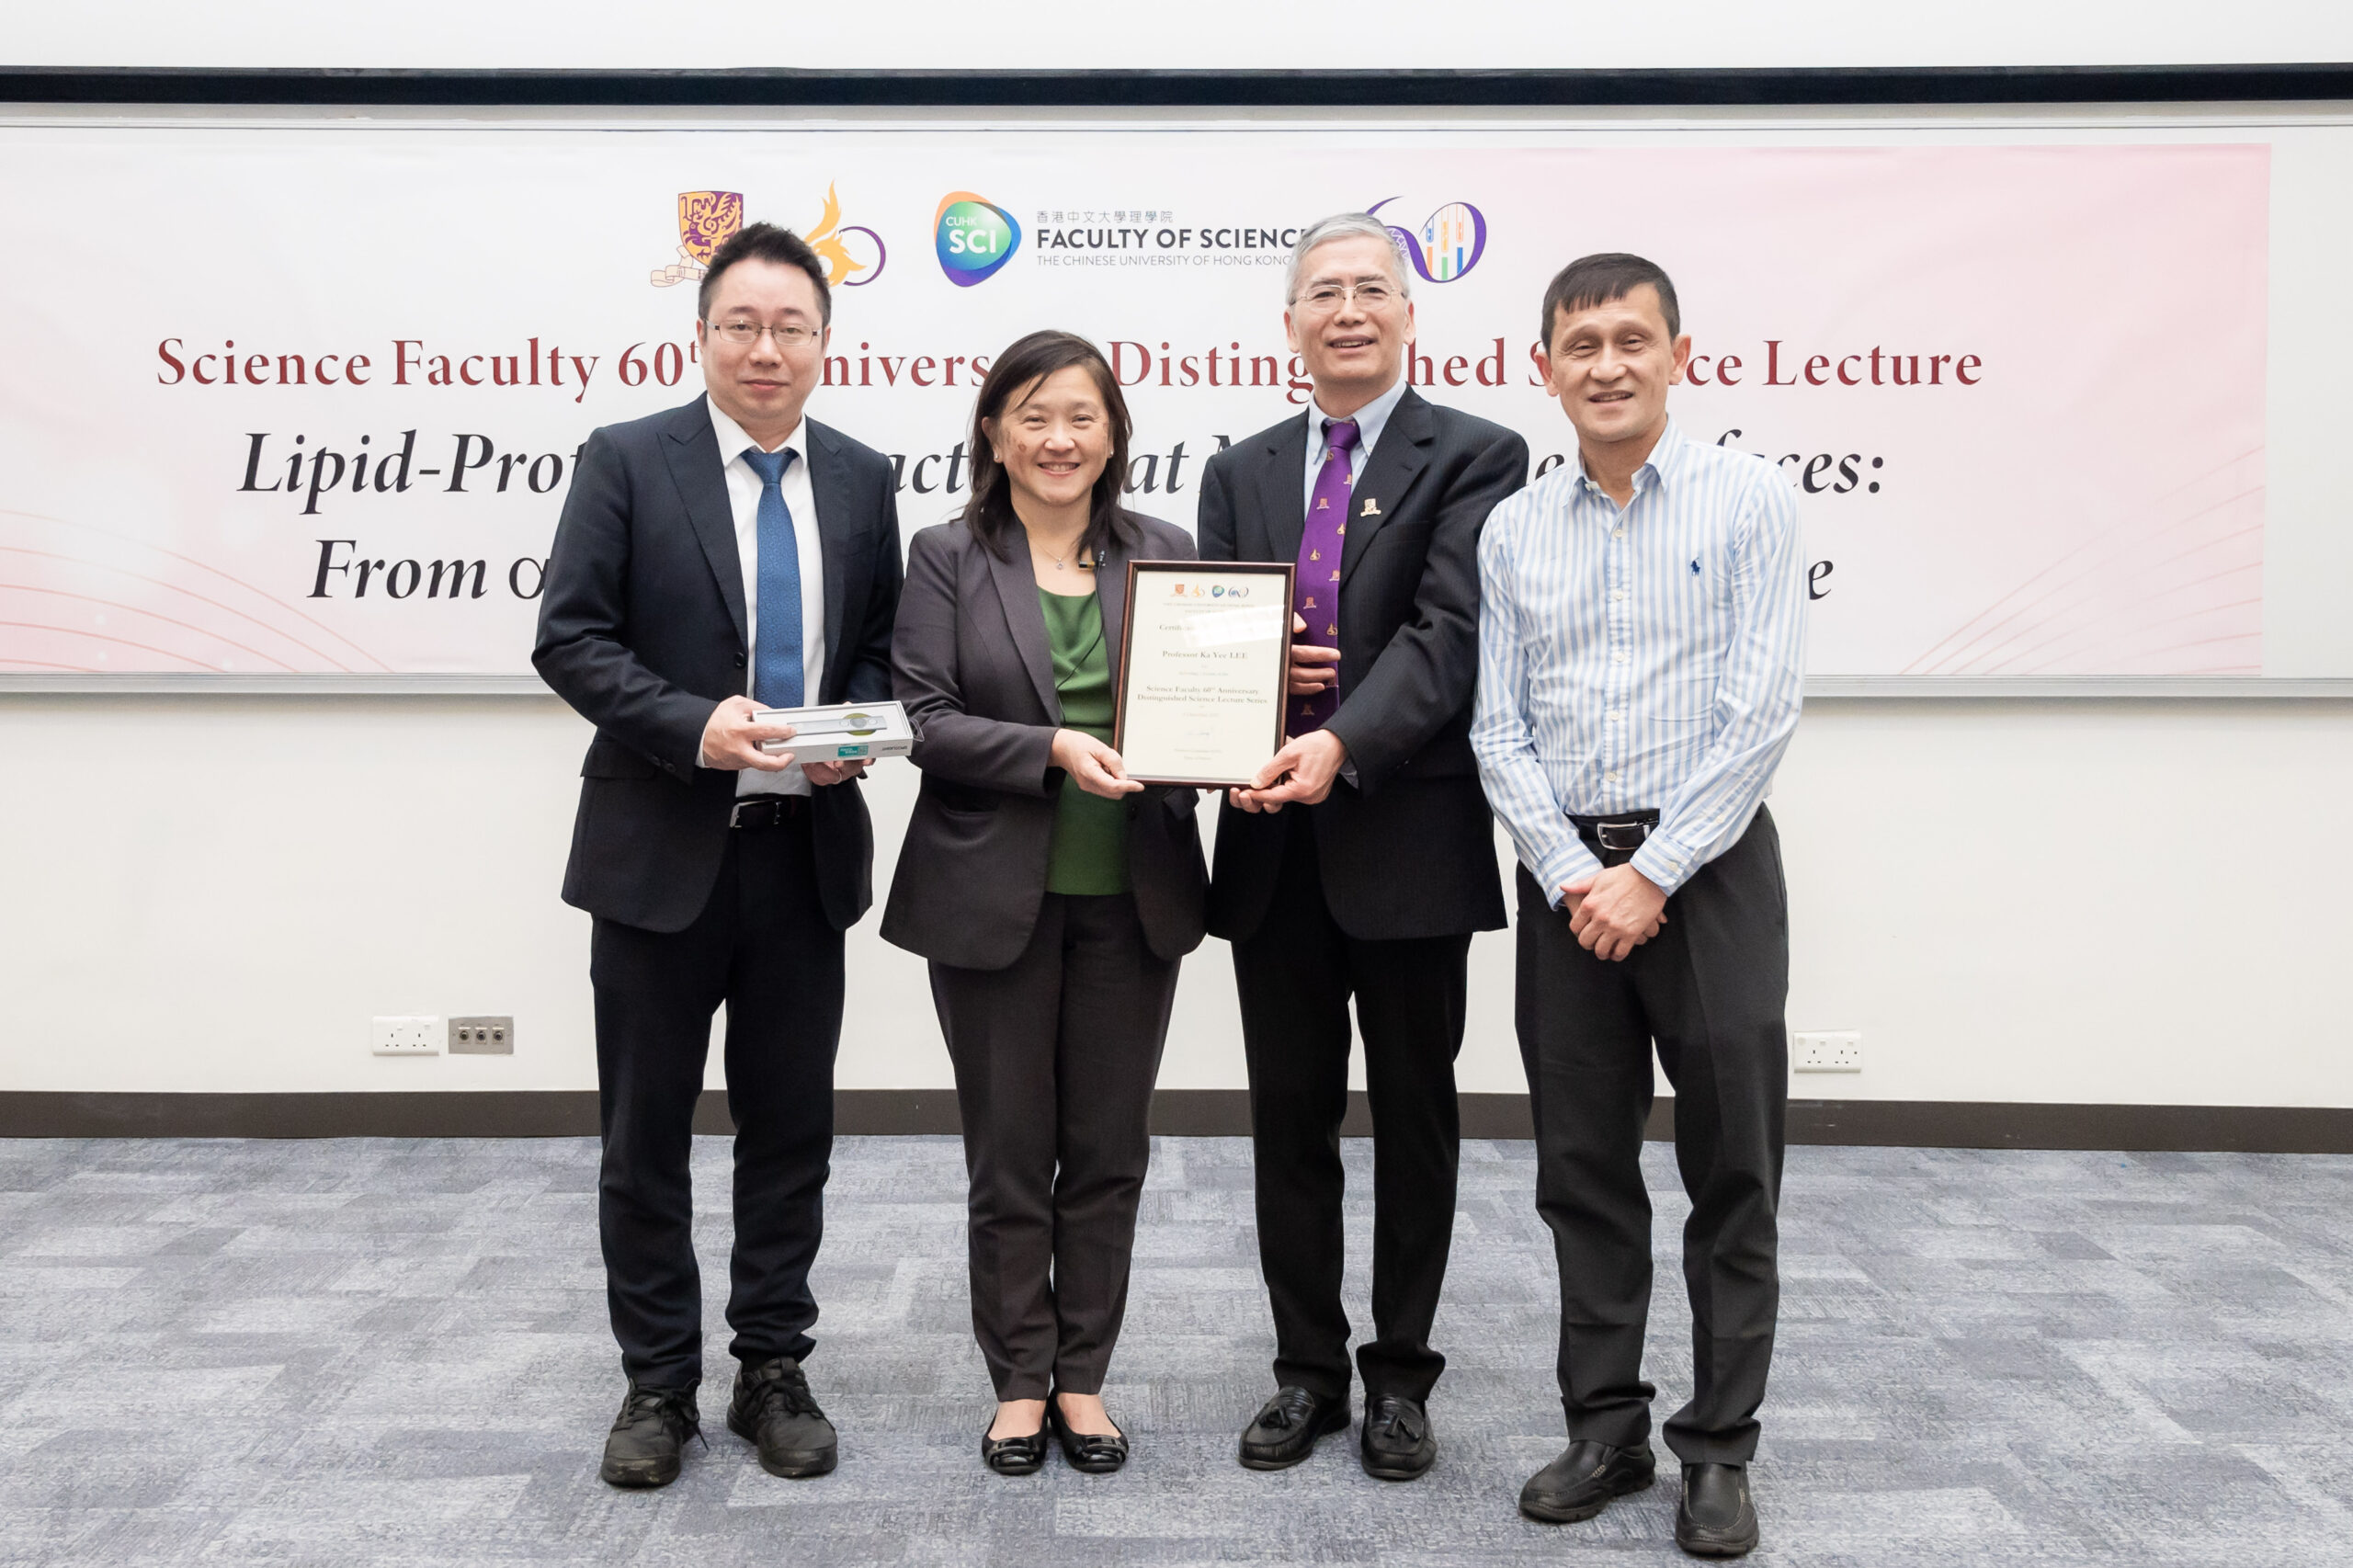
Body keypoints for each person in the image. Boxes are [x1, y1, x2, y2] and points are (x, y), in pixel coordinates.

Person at [533, 222, 904, 1490]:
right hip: (659, 857)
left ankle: (771, 1367)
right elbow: (572, 640)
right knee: (645, 1134)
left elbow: (878, 648)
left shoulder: (863, 477)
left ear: (824, 343)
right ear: (701, 337)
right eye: (741, 325)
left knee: (790, 1124)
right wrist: (693, 725)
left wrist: (858, 727)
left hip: (803, 854)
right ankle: (656, 1383)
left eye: (790, 326)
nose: (765, 348)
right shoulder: (629, 461)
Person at [1471, 253, 1805, 1559]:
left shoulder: (1749, 500)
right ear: (1540, 365)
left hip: (1709, 874)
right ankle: (1604, 1424)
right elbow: (1498, 727)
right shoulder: (1515, 526)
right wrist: (1571, 871)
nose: (1605, 363)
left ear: (1680, 354)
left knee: (1733, 1169)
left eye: (1630, 338)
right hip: (1564, 883)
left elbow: (1761, 710)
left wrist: (1652, 870)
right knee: (1582, 1171)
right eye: (1580, 342)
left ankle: (1718, 1447)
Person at [1198, 213, 1528, 1481]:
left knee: (1414, 1113)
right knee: (1287, 1115)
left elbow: (1452, 637)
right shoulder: (1241, 465)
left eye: (1370, 291)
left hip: (1407, 835)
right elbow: (1206, 631)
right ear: (1289, 325)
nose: (1347, 310)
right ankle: (1304, 1370)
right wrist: (1243, 677)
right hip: (1272, 840)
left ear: (1407, 314)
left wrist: (1344, 740)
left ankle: (1401, 1375)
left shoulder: (1477, 456)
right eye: (1322, 293)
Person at [883, 331, 1208, 1476]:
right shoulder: (946, 556)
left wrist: (1259, 702)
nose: (1056, 437)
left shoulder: (1164, 552)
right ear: (992, 434)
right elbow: (923, 718)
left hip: (1135, 897)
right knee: (1010, 1151)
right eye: (1030, 414)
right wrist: (1057, 745)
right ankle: (1019, 1379)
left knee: (1109, 1149)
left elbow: (1203, 700)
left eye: (1079, 414)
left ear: (1113, 432)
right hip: (989, 901)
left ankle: (1084, 1378)